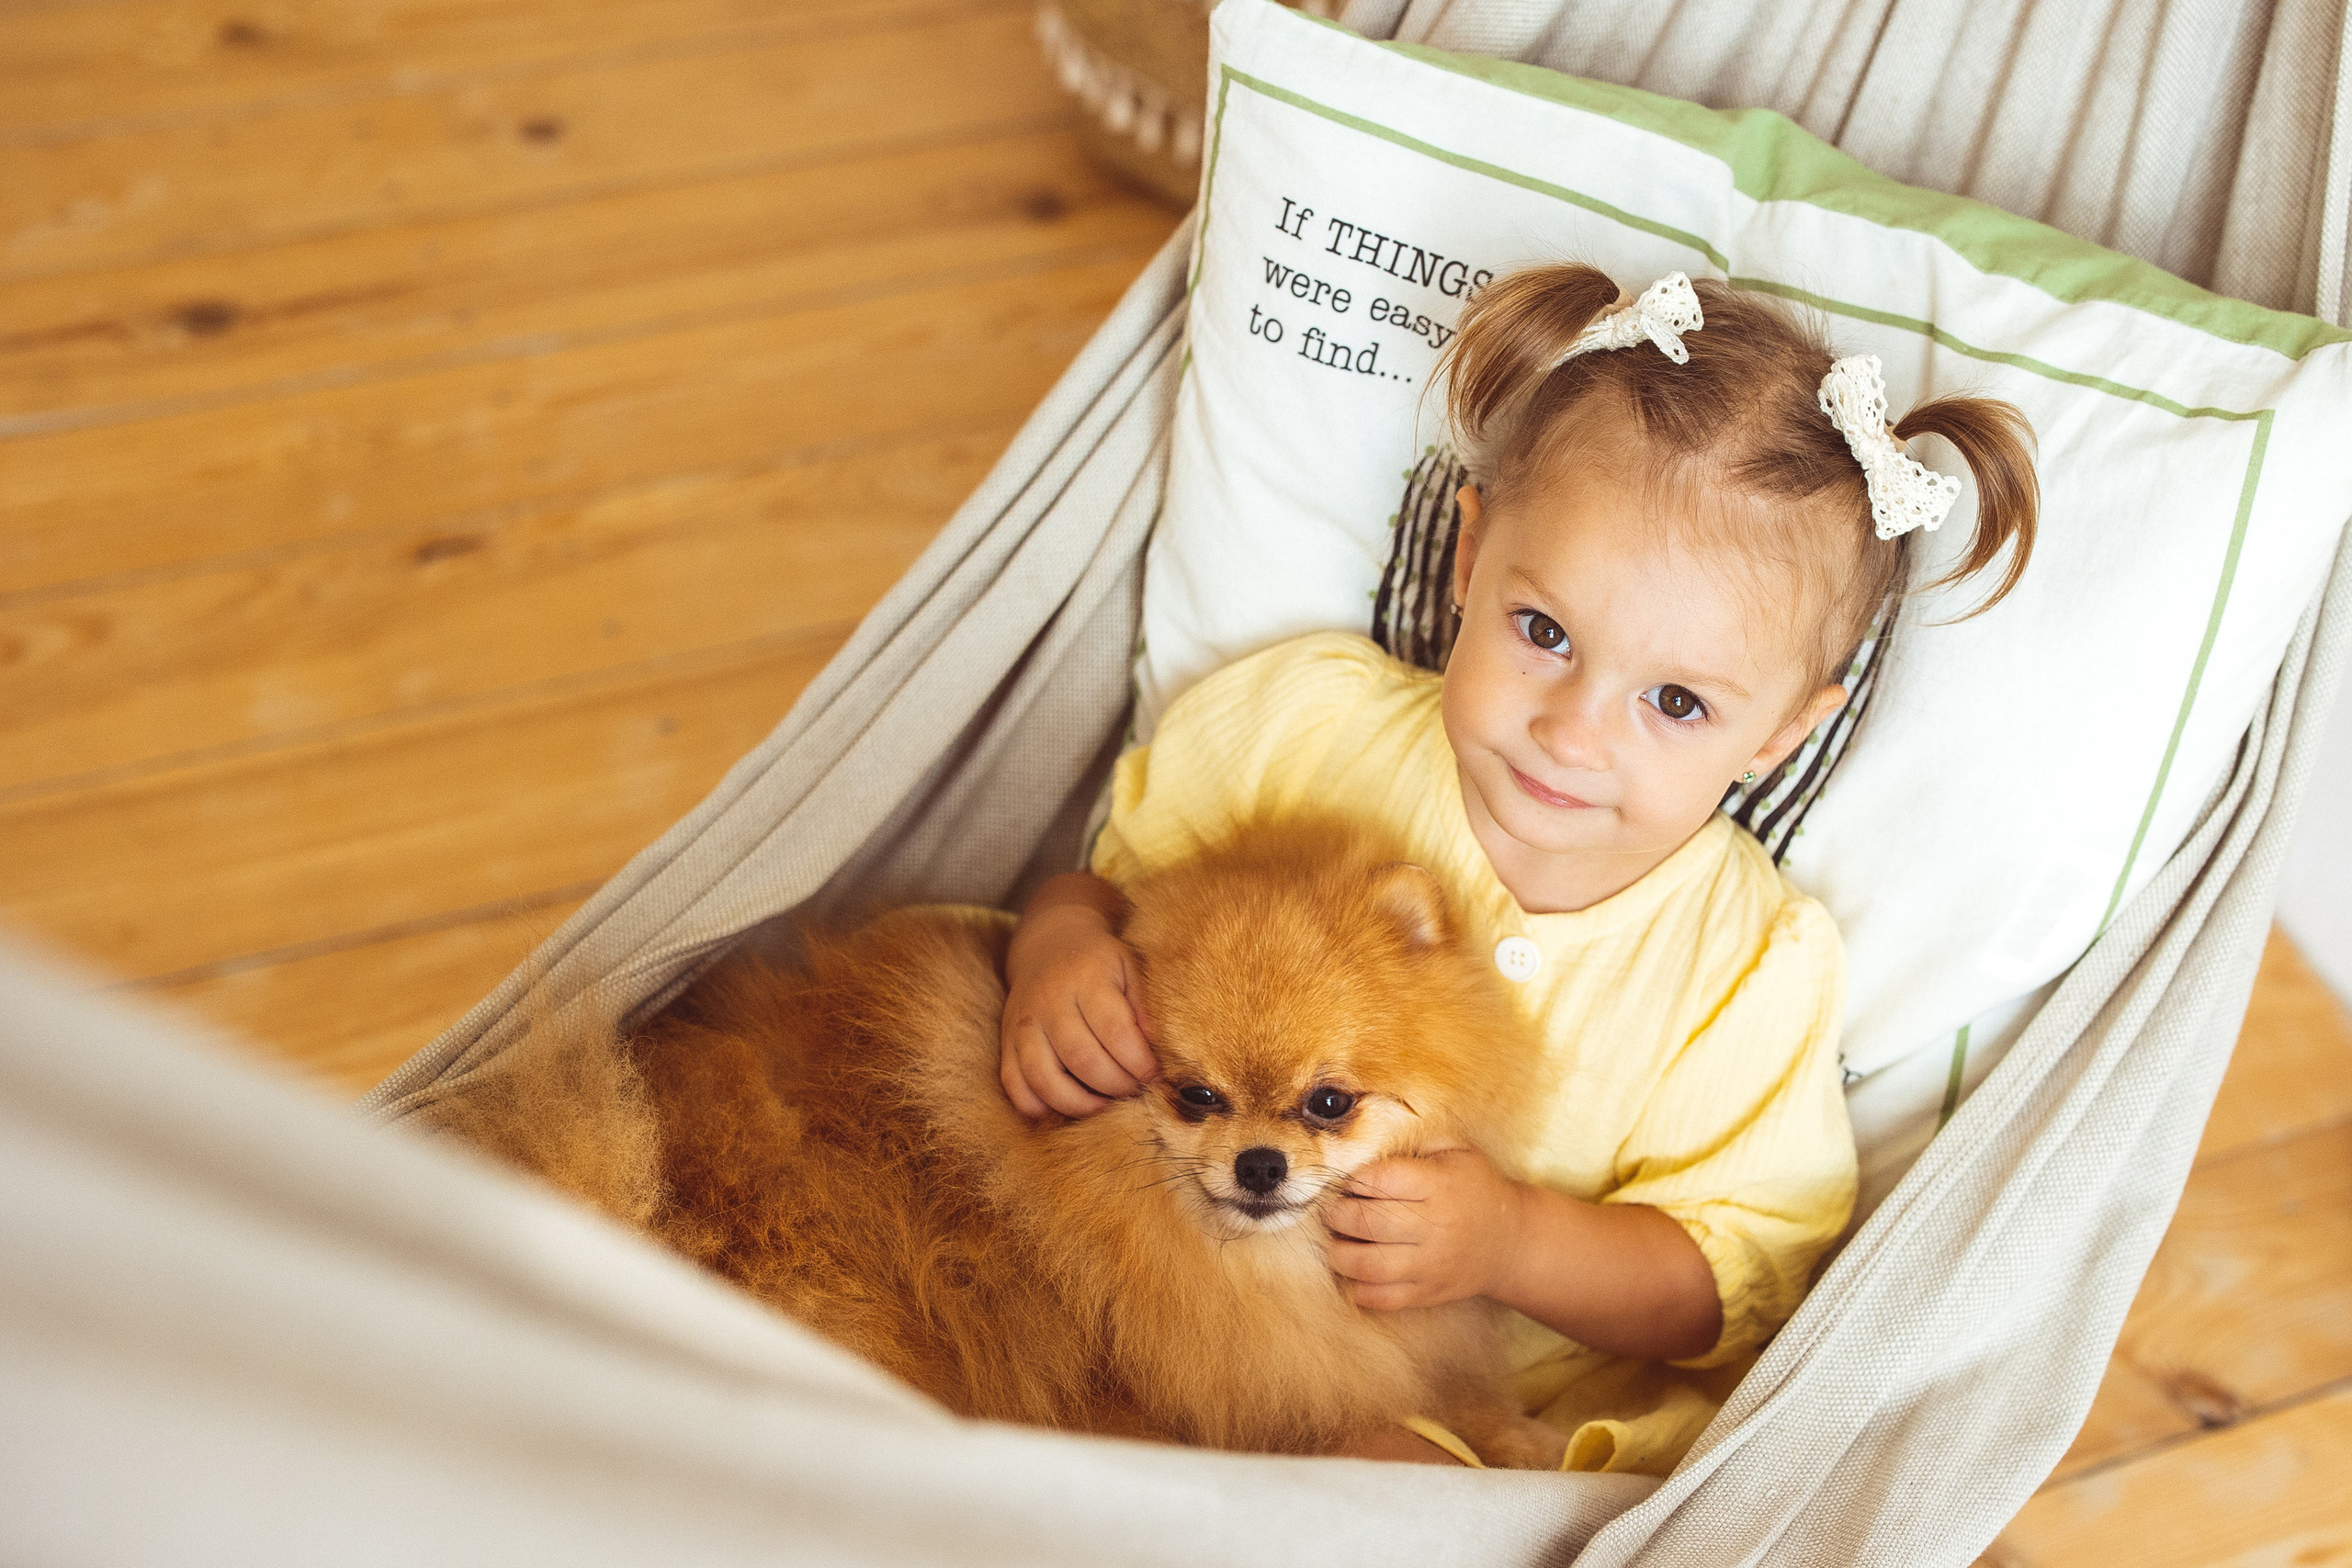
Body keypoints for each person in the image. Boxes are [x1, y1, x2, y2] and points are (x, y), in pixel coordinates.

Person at [995, 265, 2040, 1472]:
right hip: (1164, 1305)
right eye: (1543, 635)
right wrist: (1058, 948)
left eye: (1676, 701)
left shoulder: (1743, 960)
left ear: (1778, 737)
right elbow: (1118, 893)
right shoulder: (1305, 729)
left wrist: (1518, 1246)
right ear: (1472, 555)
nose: (1573, 732)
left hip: (1482, 1415)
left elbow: (1729, 1279)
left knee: (1380, 1480)